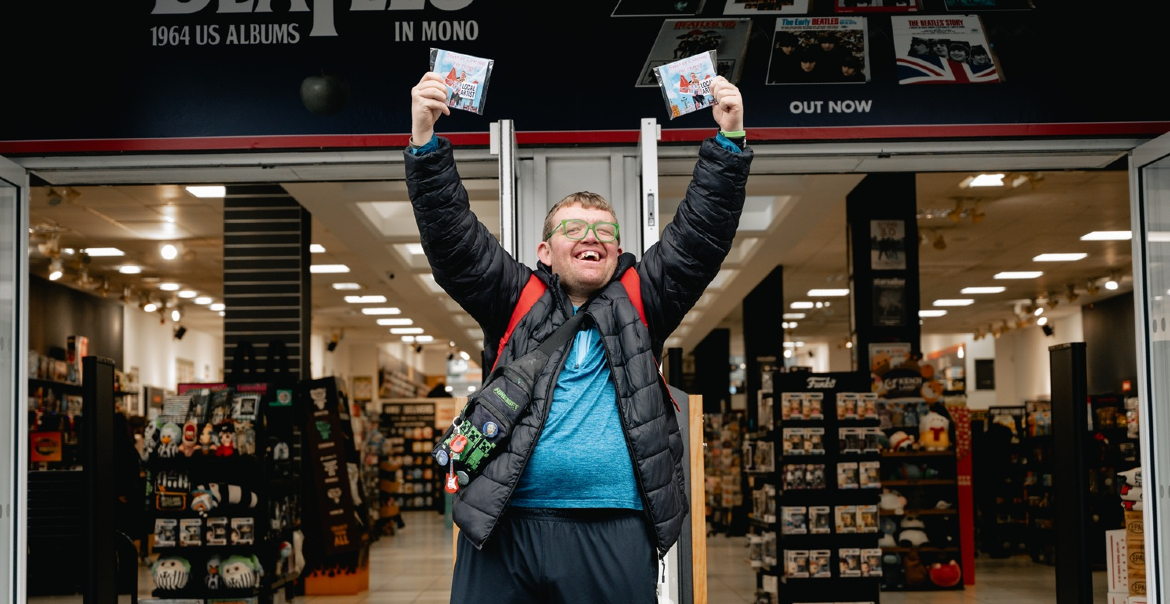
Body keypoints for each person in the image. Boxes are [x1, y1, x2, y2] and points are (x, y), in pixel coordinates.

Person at [406, 71, 751, 603]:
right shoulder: (515, 298)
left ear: (617, 253)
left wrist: (728, 142)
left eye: (605, 231)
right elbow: (455, 242)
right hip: (505, 527)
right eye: (573, 229)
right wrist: (426, 143)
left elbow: (698, 240)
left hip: (613, 530)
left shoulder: (642, 300)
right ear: (545, 252)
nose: (591, 237)